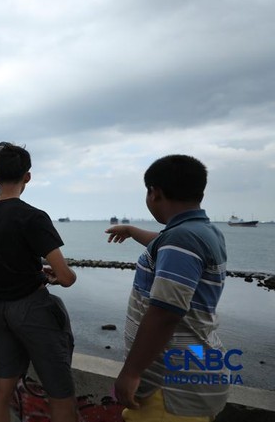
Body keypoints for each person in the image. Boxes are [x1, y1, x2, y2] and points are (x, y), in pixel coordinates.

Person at [105, 155, 228, 421]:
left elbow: (165, 313)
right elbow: (162, 244)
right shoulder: (202, 232)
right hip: (191, 373)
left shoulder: (182, 238)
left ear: (155, 192)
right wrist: (131, 230)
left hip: (171, 388)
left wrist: (131, 372)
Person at [0, 142, 78, 422]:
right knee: (60, 390)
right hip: (32, 309)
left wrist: (3, 271)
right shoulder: (33, 217)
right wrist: (53, 275)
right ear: (27, 176)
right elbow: (65, 277)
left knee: (3, 384)